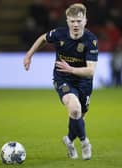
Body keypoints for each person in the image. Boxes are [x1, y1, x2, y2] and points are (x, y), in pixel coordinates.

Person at [23, 3, 98, 160]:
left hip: (84, 82)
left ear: (85, 20)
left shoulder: (91, 40)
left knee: (78, 116)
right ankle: (85, 143)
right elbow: (43, 38)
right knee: (75, 109)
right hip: (62, 78)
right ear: (67, 21)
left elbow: (90, 71)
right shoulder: (59, 34)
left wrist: (71, 68)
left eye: (79, 21)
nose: (75, 25)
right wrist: (29, 54)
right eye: (72, 21)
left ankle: (69, 140)